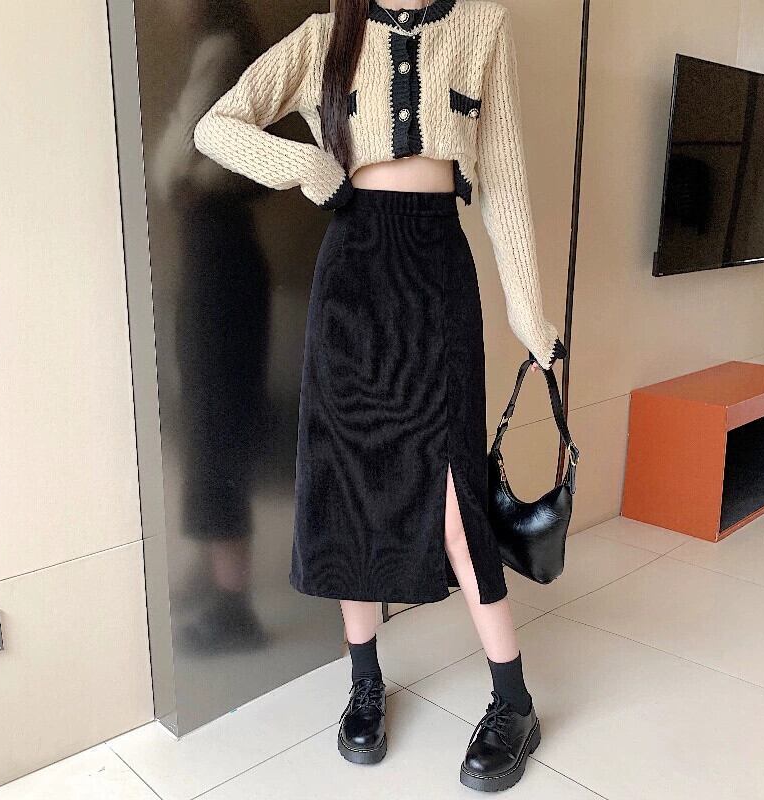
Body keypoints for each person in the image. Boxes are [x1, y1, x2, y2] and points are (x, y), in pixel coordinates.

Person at [194, 0, 567, 791]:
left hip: (437, 273)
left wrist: (529, 313)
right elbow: (216, 127)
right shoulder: (326, 34)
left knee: (456, 501)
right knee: (350, 488)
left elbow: (503, 181)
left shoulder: (483, 29)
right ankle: (364, 683)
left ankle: (514, 700)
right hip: (351, 276)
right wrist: (306, 167)